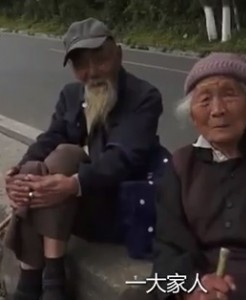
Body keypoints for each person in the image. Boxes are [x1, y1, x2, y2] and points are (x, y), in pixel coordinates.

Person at [4, 17, 163, 300]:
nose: (91, 73)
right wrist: (17, 174)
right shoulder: (72, 95)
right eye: (81, 65)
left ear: (118, 54)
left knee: (67, 156)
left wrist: (72, 184)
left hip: (122, 209)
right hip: (76, 209)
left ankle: (36, 282)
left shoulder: (144, 97)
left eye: (99, 60)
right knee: (34, 168)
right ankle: (44, 279)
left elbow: (123, 158)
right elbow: (50, 138)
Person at [152, 52, 246, 300]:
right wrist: (192, 289)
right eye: (205, 100)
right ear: (193, 116)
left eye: (229, 95)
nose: (217, 110)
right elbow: (168, 249)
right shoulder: (181, 166)